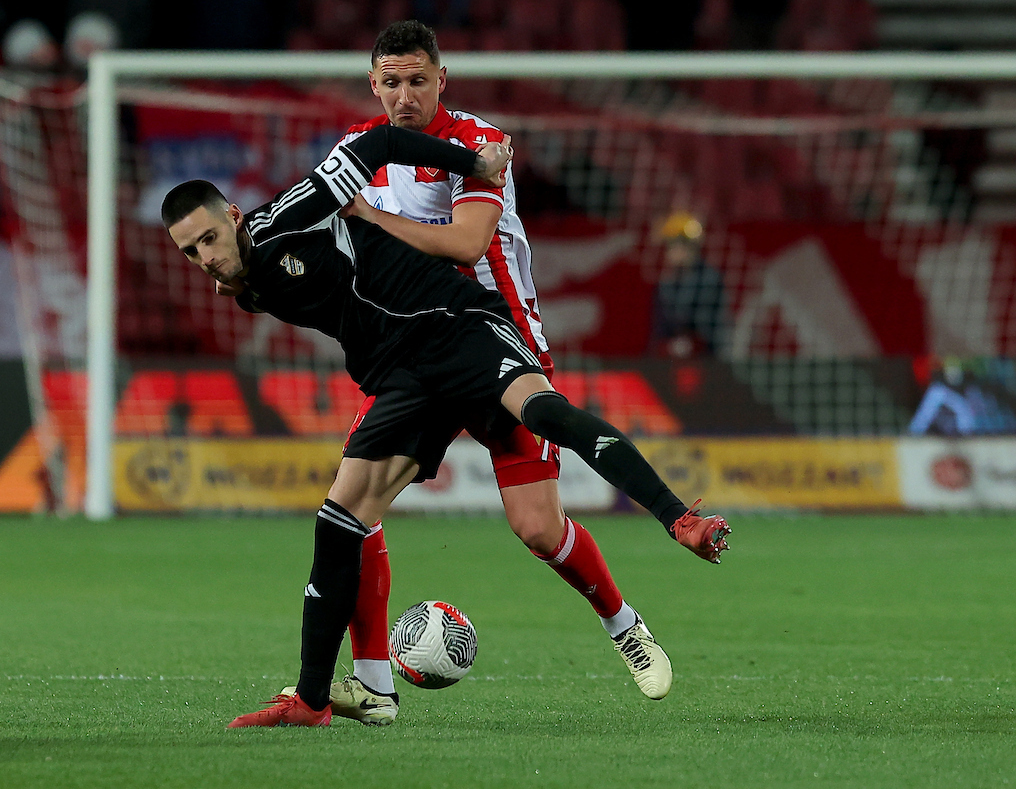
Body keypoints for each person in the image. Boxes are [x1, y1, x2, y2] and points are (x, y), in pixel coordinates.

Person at [161, 124, 730, 728]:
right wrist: (243, 282)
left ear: (233, 212)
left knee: (541, 458)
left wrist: (472, 164)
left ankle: (675, 528)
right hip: (403, 375)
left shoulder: (290, 216)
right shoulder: (246, 285)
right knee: (340, 517)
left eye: (210, 238)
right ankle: (318, 699)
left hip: (454, 325)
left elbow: (378, 148)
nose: (207, 257)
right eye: (191, 251)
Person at [264, 19, 706, 727]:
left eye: (417, 81)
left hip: (494, 336)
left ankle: (624, 626)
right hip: (412, 349)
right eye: (390, 83)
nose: (404, 97)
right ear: (372, 85)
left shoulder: (476, 144)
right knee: (355, 506)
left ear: (442, 79)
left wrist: (367, 218)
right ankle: (374, 685)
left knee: (536, 528)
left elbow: (466, 242)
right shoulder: (355, 151)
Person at [650, 211, 728, 358]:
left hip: (709, 356)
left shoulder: (709, 280)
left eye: (679, 245)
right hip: (673, 358)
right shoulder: (665, 285)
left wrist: (689, 343)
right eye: (670, 246)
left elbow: (709, 329)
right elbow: (660, 329)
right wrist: (669, 345)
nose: (673, 252)